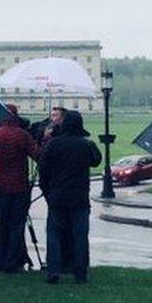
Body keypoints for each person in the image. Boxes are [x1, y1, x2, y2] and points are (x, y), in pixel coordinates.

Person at [38, 111, 102, 284]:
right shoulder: (86, 145)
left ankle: (53, 270)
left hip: (57, 195)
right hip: (79, 196)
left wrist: (47, 193)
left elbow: (43, 172)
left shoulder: (53, 145)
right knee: (80, 236)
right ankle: (80, 272)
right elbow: (97, 160)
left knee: (54, 234)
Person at [0, 104, 41, 273]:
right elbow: (38, 156)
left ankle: (1, 259)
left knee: (2, 225)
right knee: (17, 225)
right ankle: (13, 262)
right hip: (20, 186)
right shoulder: (23, 135)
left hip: (1, 186)